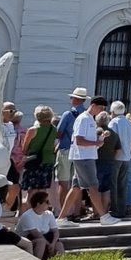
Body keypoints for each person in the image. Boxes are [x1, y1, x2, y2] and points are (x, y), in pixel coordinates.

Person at [62, 97, 114, 224]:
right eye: (100, 108)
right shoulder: (84, 118)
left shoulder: (89, 119)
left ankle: (61, 218)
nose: (101, 111)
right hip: (83, 157)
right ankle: (104, 216)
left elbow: (86, 140)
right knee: (93, 186)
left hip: (85, 156)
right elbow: (79, 140)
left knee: (76, 188)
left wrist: (100, 139)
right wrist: (97, 142)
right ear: (93, 105)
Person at [53, 87, 88, 215]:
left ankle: (64, 213)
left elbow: (58, 133)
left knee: (63, 182)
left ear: (75, 99)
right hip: (81, 152)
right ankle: (77, 213)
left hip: (66, 150)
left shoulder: (68, 114)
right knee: (77, 185)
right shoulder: (87, 115)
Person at [19, 105, 59, 204]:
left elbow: (25, 148)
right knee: (43, 188)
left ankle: (31, 210)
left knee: (32, 188)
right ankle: (41, 210)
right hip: (48, 160)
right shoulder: (53, 129)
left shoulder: (33, 130)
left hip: (33, 161)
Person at [16, 190, 64, 260]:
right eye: (47, 202)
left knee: (59, 245)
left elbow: (55, 231)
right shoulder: (27, 216)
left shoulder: (49, 214)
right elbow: (35, 234)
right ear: (38, 204)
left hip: (44, 237)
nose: (49, 204)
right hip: (28, 239)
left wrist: (53, 244)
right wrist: (49, 245)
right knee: (40, 242)